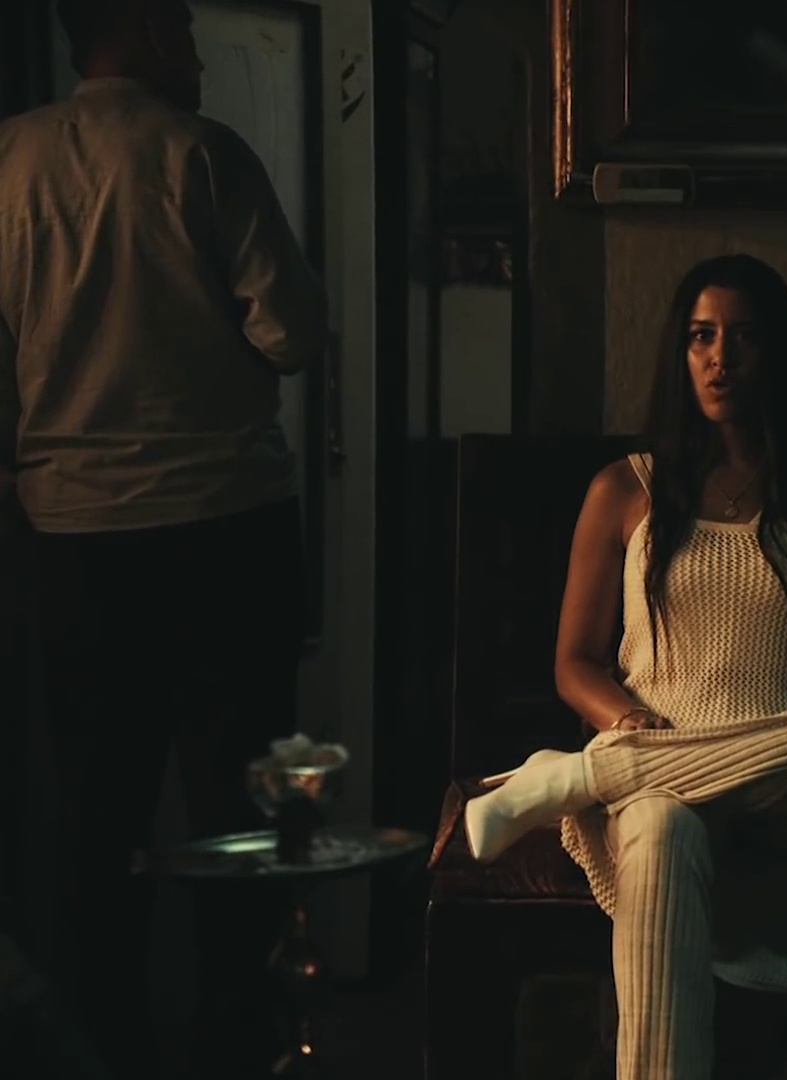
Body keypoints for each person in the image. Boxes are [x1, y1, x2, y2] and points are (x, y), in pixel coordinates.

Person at [460, 253, 787, 1079]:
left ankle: (572, 777)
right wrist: (628, 721)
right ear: (680, 350)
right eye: (701, 337)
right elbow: (575, 662)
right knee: (660, 828)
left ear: (775, 354)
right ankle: (626, 769)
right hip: (661, 781)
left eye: (742, 338)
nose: (719, 358)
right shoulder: (625, 490)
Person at [0, 1, 326, 1076]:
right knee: (241, 801)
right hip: (224, 526)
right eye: (180, 28)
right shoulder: (203, 155)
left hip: (75, 535)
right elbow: (292, 335)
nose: (193, 52)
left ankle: (105, 1044)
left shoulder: (10, 162)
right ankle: (235, 1038)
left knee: (96, 811)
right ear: (139, 28)